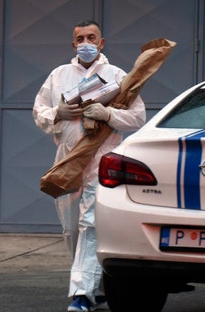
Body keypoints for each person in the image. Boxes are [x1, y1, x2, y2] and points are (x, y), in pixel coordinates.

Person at [33, 20, 146, 312]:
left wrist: (108, 113)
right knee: (72, 229)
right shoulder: (59, 75)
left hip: (102, 158)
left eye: (91, 37)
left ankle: (81, 295)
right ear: (73, 44)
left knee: (92, 224)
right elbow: (39, 110)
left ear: (102, 42)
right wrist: (56, 113)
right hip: (69, 159)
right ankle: (95, 286)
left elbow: (137, 117)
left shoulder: (117, 76)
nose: (86, 42)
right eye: (80, 38)